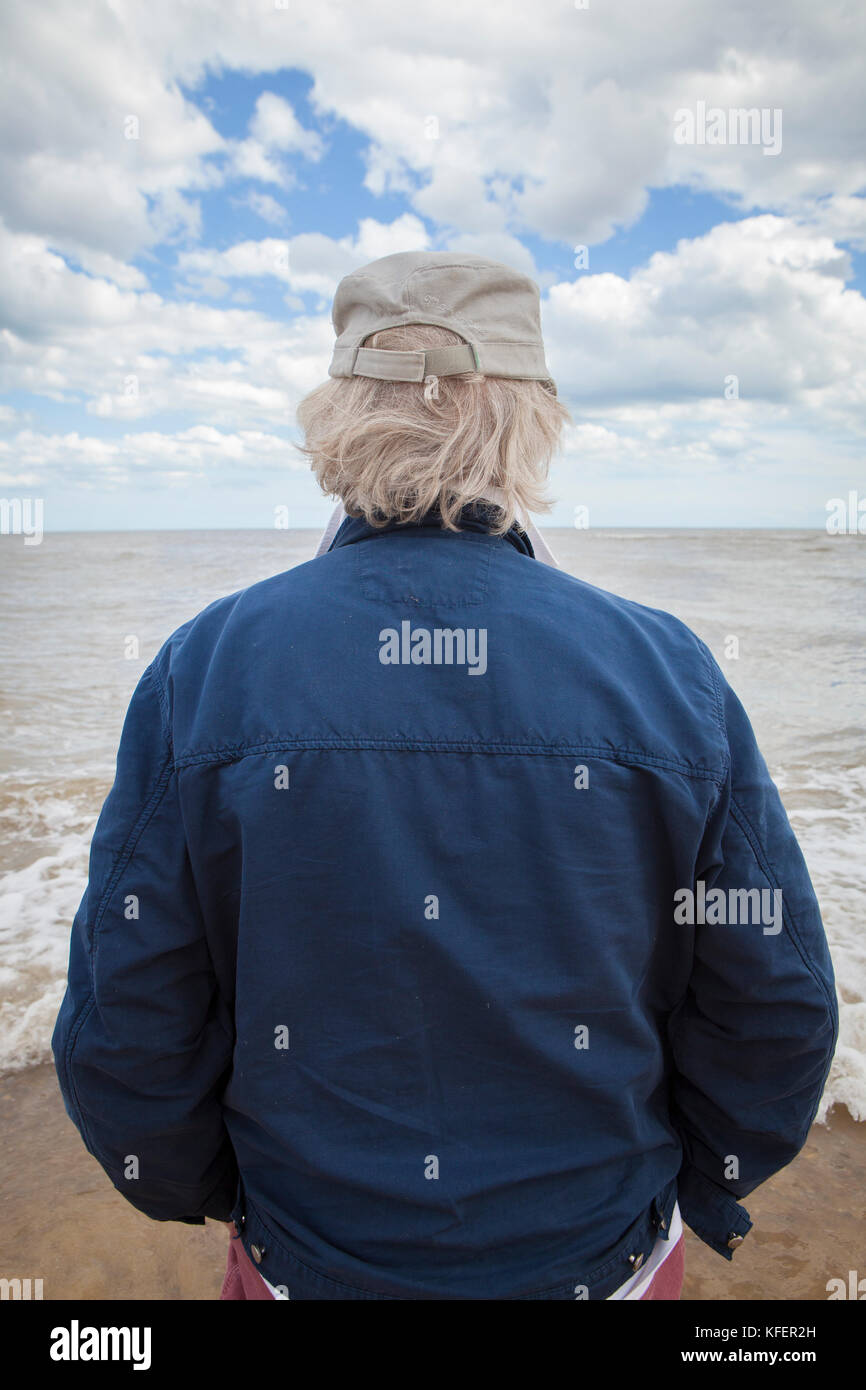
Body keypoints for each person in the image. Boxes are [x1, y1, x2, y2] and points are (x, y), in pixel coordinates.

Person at [52, 250, 838, 1301]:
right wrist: (688, 1178)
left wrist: (222, 1194)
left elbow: (126, 1011)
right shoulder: (666, 670)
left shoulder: (208, 663)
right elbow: (773, 1000)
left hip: (309, 1262)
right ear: (531, 420)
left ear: (337, 414)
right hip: (601, 1261)